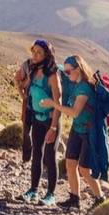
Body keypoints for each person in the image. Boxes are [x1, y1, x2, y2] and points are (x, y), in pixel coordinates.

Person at [40, 54, 104, 209]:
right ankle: (74, 199)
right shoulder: (75, 84)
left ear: (79, 69)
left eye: (69, 72)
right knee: (70, 164)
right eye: (66, 72)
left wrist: (53, 104)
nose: (67, 75)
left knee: (84, 169)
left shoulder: (85, 87)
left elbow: (75, 112)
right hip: (77, 129)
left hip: (89, 132)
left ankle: (100, 199)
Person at [19, 39, 62, 206]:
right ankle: (33, 190)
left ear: (46, 56)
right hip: (37, 118)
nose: (34, 55)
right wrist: (18, 83)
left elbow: (59, 104)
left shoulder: (52, 76)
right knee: (37, 154)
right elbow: (25, 92)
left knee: (50, 156)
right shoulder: (33, 72)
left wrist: (52, 128)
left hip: (51, 119)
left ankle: (51, 194)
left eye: (38, 53)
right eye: (33, 51)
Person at [14, 57, 33, 162]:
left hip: (36, 102)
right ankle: (26, 157)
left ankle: (37, 158)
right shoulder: (26, 65)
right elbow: (22, 90)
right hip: (28, 102)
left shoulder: (46, 66)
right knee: (26, 129)